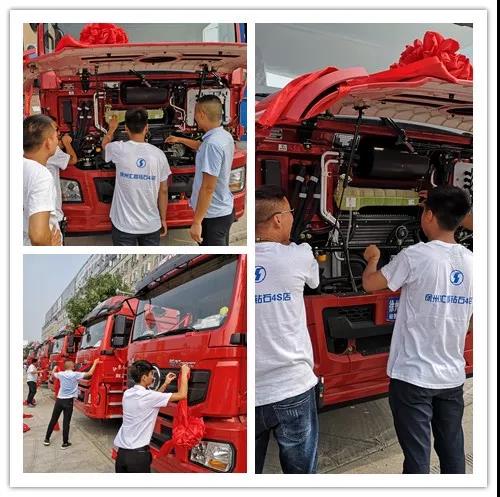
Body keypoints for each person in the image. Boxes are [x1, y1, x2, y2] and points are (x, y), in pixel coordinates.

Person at [362, 185, 473, 474]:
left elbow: (370, 284)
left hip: (413, 377)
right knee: (452, 451)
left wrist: (372, 259)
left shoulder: (415, 255)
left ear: (429, 216)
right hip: (452, 377)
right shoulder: (474, 262)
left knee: (416, 460)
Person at [254, 185, 320, 474]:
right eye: (290, 212)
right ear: (278, 219)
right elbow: (315, 282)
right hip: (292, 387)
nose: (293, 217)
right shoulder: (299, 255)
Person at [166, 95, 235, 246]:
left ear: (202, 114)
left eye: (195, 113)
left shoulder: (212, 144)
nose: (195, 117)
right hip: (223, 209)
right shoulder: (223, 136)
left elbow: (208, 188)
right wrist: (179, 139)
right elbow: (201, 146)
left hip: (213, 216)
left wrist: (197, 222)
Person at [102, 108, 170, 246]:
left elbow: (104, 145)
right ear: (147, 127)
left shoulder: (118, 149)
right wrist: (163, 219)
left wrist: (112, 129)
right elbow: (163, 190)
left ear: (126, 128)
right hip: (151, 225)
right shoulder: (159, 155)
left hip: (123, 225)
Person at [114, 361, 190, 473]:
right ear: (144, 378)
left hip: (121, 455)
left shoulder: (128, 393)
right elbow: (182, 395)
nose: (153, 377)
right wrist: (184, 373)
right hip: (138, 457)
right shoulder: (148, 396)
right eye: (151, 374)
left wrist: (165, 384)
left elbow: (153, 399)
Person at [23, 115, 62, 246]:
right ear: (48, 142)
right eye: (56, 137)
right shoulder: (40, 174)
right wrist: (50, 247)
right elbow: (38, 237)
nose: (57, 141)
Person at [44, 359, 99, 449]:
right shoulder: (75, 374)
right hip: (68, 402)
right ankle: (65, 443)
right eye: (73, 365)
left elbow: (53, 374)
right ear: (71, 366)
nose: (74, 366)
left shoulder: (61, 374)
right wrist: (95, 363)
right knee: (66, 422)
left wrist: (54, 368)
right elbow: (89, 374)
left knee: (53, 419)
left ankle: (46, 439)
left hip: (59, 400)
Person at [46, 132, 78, 239]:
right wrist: (67, 143)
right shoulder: (53, 151)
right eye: (55, 130)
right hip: (53, 215)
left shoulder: (31, 150)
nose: (59, 133)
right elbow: (73, 159)